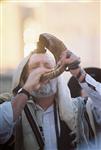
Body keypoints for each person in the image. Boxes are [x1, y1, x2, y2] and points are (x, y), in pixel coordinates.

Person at [0, 33, 101, 150]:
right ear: (24, 78)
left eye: (47, 66)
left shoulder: (81, 109)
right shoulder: (12, 109)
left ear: (57, 75)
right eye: (35, 67)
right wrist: (27, 88)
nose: (42, 71)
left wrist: (78, 71)